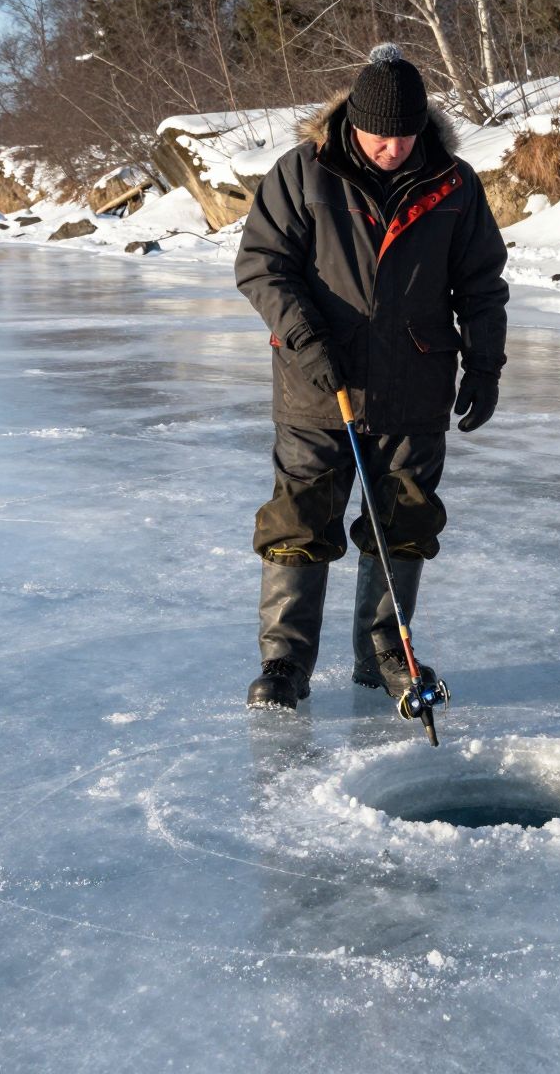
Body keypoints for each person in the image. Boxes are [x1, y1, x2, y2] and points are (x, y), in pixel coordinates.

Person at [235, 45, 508, 712]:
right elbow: (263, 265)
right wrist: (306, 339)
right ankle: (284, 661)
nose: (393, 148)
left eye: (405, 135)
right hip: (315, 385)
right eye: (380, 135)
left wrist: (485, 364)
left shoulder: (453, 183)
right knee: (300, 520)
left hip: (415, 384)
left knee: (403, 520)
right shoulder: (303, 172)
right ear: (353, 122)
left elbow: (481, 284)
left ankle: (386, 652)